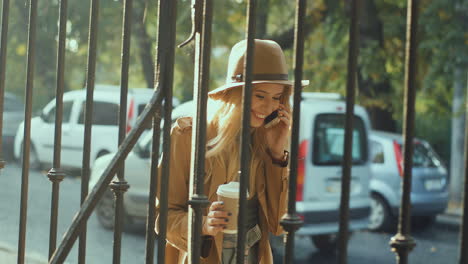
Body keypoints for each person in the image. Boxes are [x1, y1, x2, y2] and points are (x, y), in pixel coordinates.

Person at [155, 39, 308, 264]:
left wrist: (277, 154)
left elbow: (278, 224)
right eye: (260, 95)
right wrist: (203, 224)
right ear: (236, 93)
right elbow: (163, 218)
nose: (268, 108)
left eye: (276, 98)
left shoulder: (267, 140)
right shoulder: (189, 136)